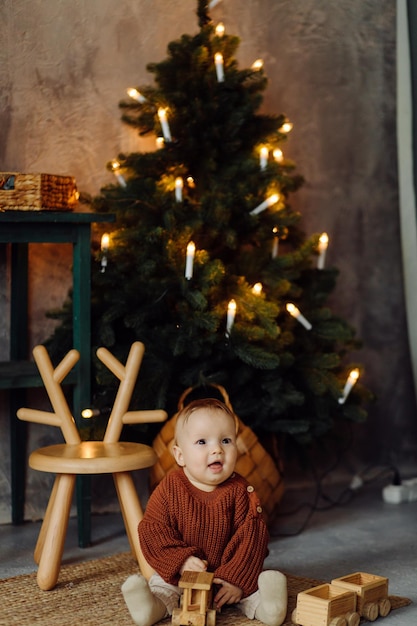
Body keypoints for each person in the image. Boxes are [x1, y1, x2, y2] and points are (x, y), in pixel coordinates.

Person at [122, 397, 287, 626]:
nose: (217, 450)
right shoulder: (170, 488)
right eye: (202, 442)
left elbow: (252, 537)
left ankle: (269, 608)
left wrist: (236, 580)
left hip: (225, 575)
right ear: (180, 455)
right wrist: (180, 561)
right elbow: (153, 529)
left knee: (250, 589)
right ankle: (150, 607)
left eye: (226, 440)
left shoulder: (240, 491)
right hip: (181, 575)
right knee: (163, 586)